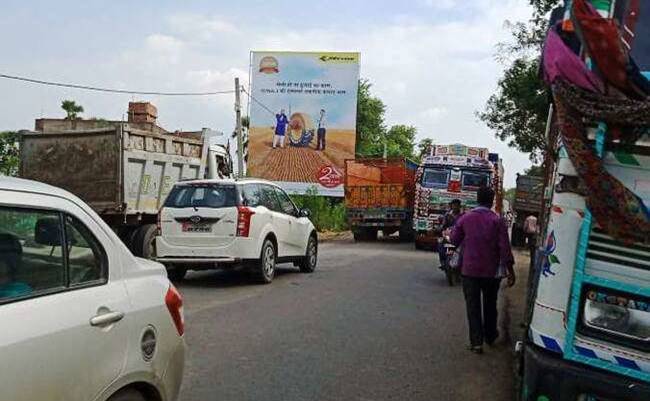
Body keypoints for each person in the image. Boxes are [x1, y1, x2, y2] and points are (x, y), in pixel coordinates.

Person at [449, 186, 515, 354]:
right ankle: (490, 335)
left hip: (469, 270)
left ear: (477, 199)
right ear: (492, 200)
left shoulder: (465, 218)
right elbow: (504, 247)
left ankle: (476, 342)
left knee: (473, 307)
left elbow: (454, 239)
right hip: (491, 272)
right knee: (490, 304)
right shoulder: (497, 220)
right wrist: (510, 270)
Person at [438, 199, 463, 269]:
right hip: (449, 236)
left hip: (460, 237)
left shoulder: (463, 216)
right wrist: (441, 230)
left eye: (457, 205)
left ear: (459, 206)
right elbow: (443, 226)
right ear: (451, 206)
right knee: (440, 244)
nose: (455, 207)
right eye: (454, 205)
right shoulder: (447, 215)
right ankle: (443, 262)